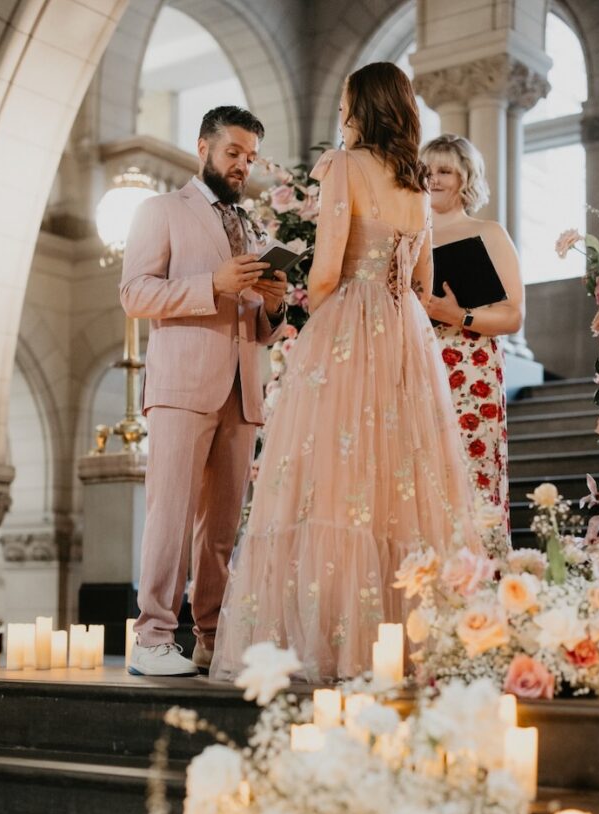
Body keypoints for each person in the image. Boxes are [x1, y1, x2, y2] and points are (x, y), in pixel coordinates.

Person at [210, 63, 480, 683]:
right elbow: (421, 278)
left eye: (344, 102)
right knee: (398, 489)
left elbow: (327, 272)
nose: (340, 113)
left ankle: (329, 640)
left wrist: (300, 284)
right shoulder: (415, 184)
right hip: (405, 331)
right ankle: (408, 647)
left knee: (331, 483)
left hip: (350, 327)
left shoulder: (344, 167)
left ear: (362, 106)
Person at [120, 106, 287, 676]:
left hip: (243, 392)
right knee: (170, 515)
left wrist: (273, 304)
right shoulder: (162, 210)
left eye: (250, 157)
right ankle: (152, 638)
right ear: (204, 148)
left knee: (220, 528)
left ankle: (212, 637)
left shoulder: (257, 228)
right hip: (182, 386)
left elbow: (265, 328)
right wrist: (210, 284)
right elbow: (136, 294)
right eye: (233, 152)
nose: (242, 165)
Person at [420, 134, 524, 556]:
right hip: (418, 365)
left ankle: (483, 590)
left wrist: (457, 315)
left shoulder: (488, 233)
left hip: (470, 368)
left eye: (444, 170)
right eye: (427, 170)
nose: (434, 179)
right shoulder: (410, 237)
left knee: (472, 476)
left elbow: (513, 315)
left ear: (466, 178)